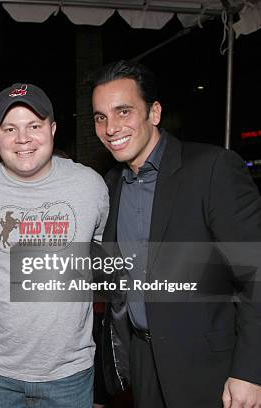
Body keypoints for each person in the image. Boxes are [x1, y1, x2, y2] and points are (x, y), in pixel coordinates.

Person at [92, 60, 261, 407]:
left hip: (209, 366)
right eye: (100, 117)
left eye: (123, 112)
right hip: (142, 359)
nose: (111, 128)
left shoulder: (212, 168)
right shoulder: (110, 185)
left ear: (154, 112)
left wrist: (250, 371)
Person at [0, 83, 109, 407]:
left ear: (52, 128)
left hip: (69, 373)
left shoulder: (91, 187)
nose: (23, 139)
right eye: (11, 128)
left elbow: (105, 258)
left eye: (34, 126)